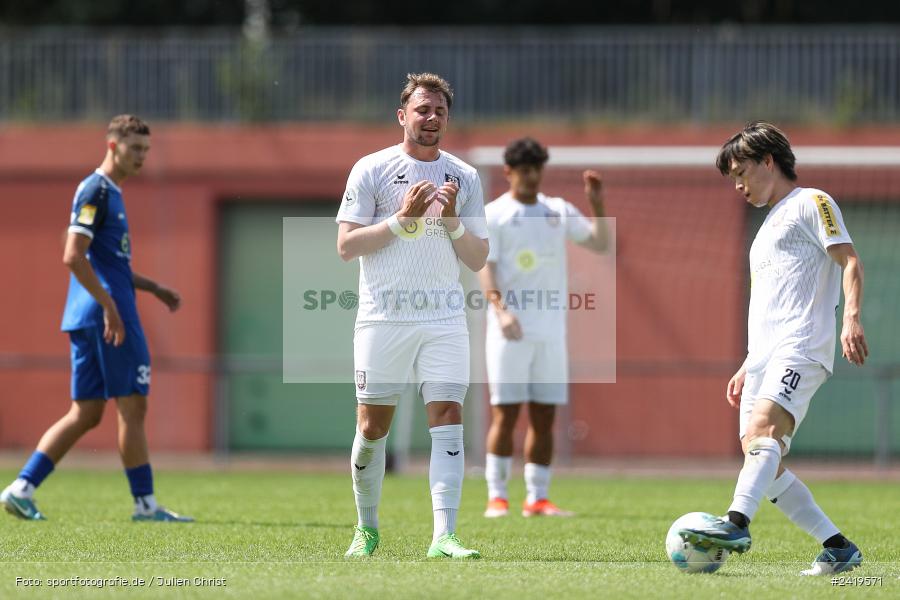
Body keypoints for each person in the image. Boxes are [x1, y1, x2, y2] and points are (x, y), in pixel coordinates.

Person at [678, 121, 866, 576]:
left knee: (764, 431)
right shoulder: (764, 230)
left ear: (768, 160)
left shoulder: (811, 201)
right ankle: (837, 547)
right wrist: (749, 363)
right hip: (765, 356)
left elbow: (850, 259)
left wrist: (851, 317)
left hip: (801, 345)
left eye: (742, 172)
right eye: (732, 179)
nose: (738, 185)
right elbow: (771, 303)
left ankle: (736, 523)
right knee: (759, 452)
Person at [1, 115, 193, 523]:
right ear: (112, 146)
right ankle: (145, 505)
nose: (141, 156)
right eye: (134, 148)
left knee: (86, 413)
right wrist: (110, 307)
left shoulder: (111, 193)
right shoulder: (97, 190)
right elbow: (72, 255)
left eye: (145, 150)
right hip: (108, 318)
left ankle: (21, 488)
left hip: (85, 315)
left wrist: (154, 288)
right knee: (133, 407)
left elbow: (109, 264)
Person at [335, 73, 489, 558]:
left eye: (440, 110)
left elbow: (479, 257)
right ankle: (367, 528)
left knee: (447, 417)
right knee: (372, 427)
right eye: (423, 109)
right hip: (382, 319)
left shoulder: (464, 176)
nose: (432, 118)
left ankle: (444, 536)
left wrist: (451, 222)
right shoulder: (372, 168)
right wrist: (401, 221)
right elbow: (346, 246)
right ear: (402, 115)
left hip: (444, 319)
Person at [479, 138, 609, 519]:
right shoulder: (495, 214)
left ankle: (537, 498)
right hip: (510, 331)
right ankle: (497, 496)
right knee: (505, 413)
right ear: (509, 172)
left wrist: (597, 203)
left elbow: (600, 243)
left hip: (551, 332)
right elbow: (484, 266)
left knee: (544, 415)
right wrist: (501, 311)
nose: (532, 176)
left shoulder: (558, 210)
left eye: (537, 169)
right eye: (524, 170)